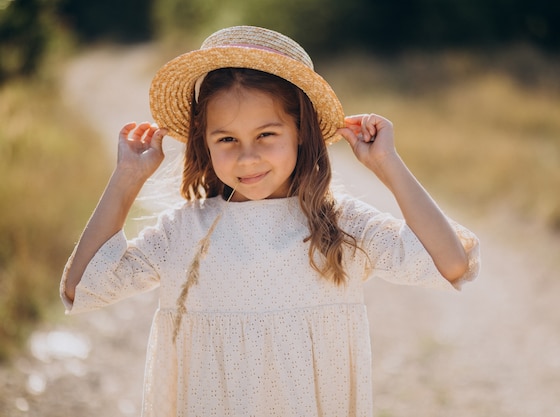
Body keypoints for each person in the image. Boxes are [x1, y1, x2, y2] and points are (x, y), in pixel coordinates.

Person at [61, 25, 480, 416]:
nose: (247, 156)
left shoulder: (338, 225)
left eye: (267, 134)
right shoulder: (183, 232)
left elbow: (451, 263)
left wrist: (387, 163)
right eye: (226, 139)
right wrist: (126, 179)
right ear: (204, 144)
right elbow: (82, 288)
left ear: (301, 131)